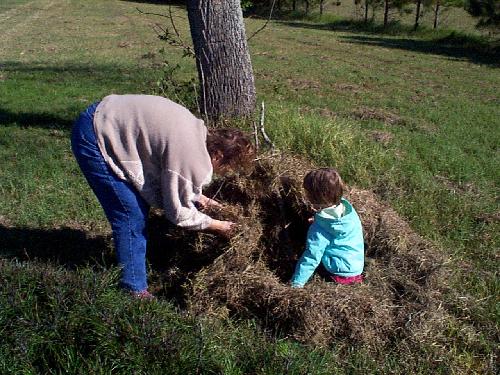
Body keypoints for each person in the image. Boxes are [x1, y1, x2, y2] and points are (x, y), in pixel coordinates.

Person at [71, 94, 255, 298]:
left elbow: (171, 169)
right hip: (97, 136)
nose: (225, 172)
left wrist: (198, 197)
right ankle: (134, 290)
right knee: (131, 215)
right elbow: (178, 214)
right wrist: (219, 226)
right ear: (218, 155)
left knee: (135, 207)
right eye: (228, 167)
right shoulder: (192, 157)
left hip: (106, 114)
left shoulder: (198, 131)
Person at [290, 168, 364, 288]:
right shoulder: (348, 212)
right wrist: (318, 218)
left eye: (307, 193)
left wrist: (296, 284)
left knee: (309, 253)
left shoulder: (319, 230)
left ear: (313, 197)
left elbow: (311, 257)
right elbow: (333, 224)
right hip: (356, 267)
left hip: (337, 274)